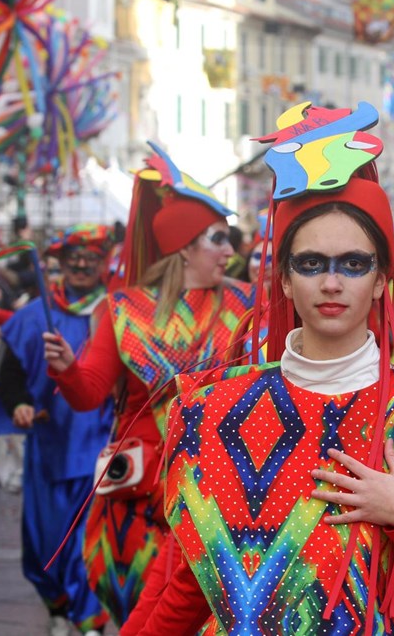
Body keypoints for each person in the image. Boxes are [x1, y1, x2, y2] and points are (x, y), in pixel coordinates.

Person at [123, 102, 394, 634]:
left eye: (354, 264)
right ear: (284, 279)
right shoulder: (212, 410)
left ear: (381, 280)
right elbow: (190, 587)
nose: (331, 283)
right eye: (310, 263)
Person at [43, 143, 256, 626]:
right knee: (140, 617)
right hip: (140, 501)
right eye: (218, 239)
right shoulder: (123, 310)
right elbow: (88, 394)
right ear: (183, 248)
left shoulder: (246, 304)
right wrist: (67, 369)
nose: (230, 251)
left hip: (215, 495)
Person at [0, 225, 114, 636]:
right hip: (49, 447)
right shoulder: (34, 315)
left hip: (98, 446)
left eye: (91, 259)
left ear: (103, 264)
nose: (82, 267)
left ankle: (90, 621)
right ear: (60, 263)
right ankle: (58, 606)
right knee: (43, 545)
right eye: (74, 259)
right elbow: (11, 376)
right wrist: (19, 404)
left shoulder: (115, 314)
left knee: (84, 543)